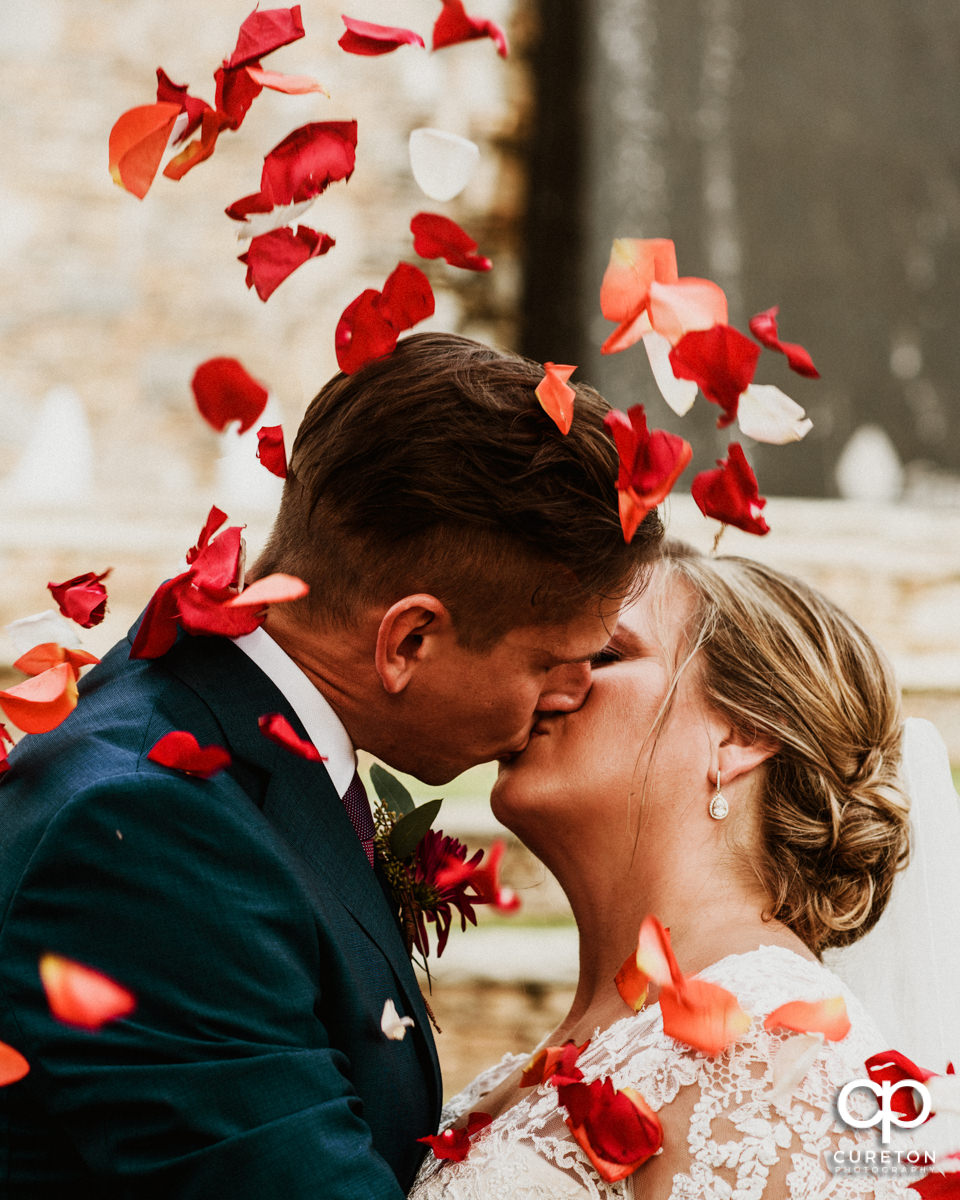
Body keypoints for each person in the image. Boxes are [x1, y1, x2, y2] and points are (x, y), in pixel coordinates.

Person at [0, 333, 661, 1198]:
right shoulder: (156, 837)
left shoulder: (215, 736)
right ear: (409, 640)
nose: (573, 694)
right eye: (550, 663)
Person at [411, 541, 923, 1199]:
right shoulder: (609, 1040)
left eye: (602, 653)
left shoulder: (773, 1051)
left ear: (742, 732)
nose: (547, 677)